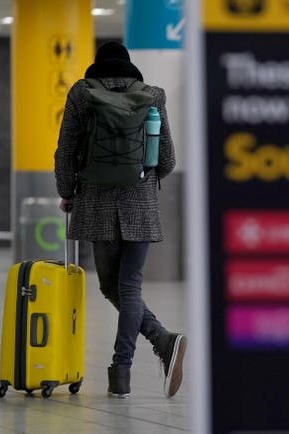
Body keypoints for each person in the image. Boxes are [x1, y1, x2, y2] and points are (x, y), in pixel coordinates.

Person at [54, 41, 186, 399]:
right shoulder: (153, 96)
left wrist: (67, 191)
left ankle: (147, 352)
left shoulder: (82, 94)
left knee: (111, 287)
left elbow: (65, 149)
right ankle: (145, 353)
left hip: (96, 201)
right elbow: (168, 160)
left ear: (97, 65)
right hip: (140, 203)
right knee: (128, 287)